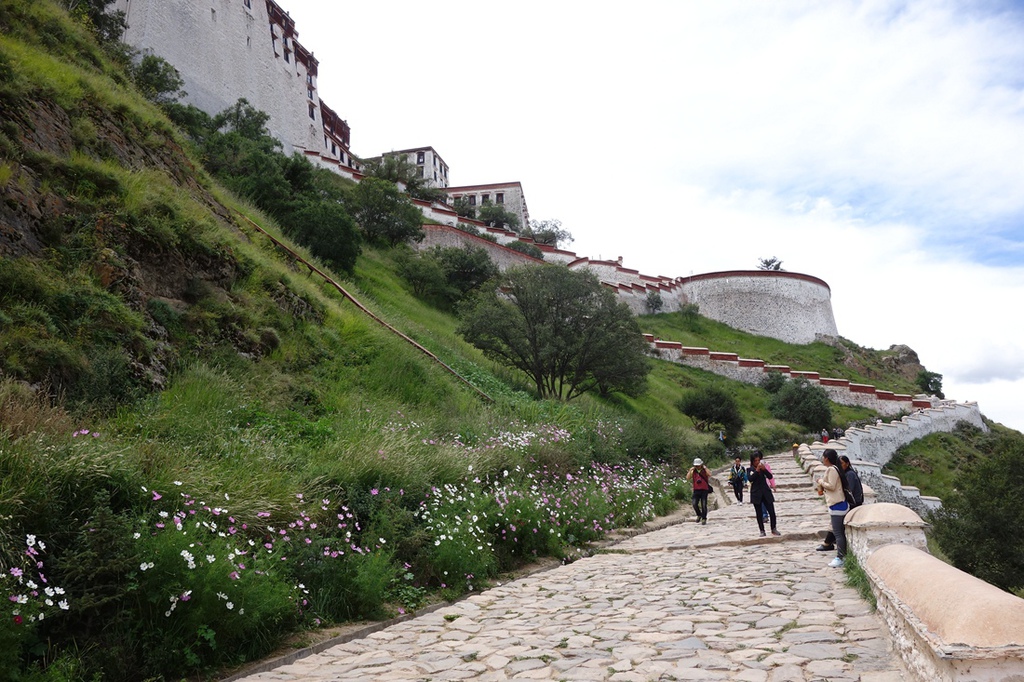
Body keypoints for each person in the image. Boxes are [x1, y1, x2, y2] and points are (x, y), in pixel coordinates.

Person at [817, 455, 864, 551]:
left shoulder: (849, 474)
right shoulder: (844, 474)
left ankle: (828, 543)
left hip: (854, 503)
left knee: (835, 524)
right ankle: (828, 543)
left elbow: (848, 490)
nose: (840, 465)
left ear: (847, 464)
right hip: (849, 502)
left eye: (842, 463)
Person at [816, 449, 850, 567]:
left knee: (838, 533)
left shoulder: (832, 469)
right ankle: (841, 556)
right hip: (839, 504)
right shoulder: (836, 468)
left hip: (837, 505)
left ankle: (841, 557)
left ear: (826, 458)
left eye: (823, 457)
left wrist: (820, 481)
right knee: (838, 532)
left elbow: (831, 486)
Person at [747, 450, 779, 537]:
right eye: (755, 461)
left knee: (772, 512)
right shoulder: (750, 469)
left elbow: (770, 476)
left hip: (766, 492)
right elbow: (750, 479)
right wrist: (757, 471)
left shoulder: (763, 468)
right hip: (756, 493)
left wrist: (764, 470)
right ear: (752, 461)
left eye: (758, 460)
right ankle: (762, 530)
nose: (757, 462)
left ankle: (773, 528)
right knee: (759, 513)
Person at [686, 457, 712, 525]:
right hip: (696, 490)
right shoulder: (693, 471)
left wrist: (705, 468)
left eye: (698, 465)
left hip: (704, 489)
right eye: (696, 465)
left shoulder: (704, 470)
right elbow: (687, 478)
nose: (697, 466)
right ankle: (699, 514)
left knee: (704, 504)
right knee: (694, 504)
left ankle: (704, 518)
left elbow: (709, 474)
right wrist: (690, 471)